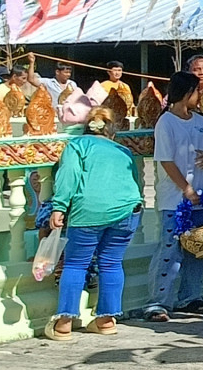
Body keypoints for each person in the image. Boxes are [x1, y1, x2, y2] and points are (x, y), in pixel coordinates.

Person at [43, 109, 143, 338]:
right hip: (127, 210)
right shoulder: (123, 150)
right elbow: (134, 181)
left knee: (75, 264)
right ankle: (106, 321)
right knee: (112, 263)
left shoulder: (77, 146)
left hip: (89, 211)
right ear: (112, 131)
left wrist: (59, 207)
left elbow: (68, 176)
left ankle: (64, 324)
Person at [148, 70, 203, 322]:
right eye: (196, 90)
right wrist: (185, 188)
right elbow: (166, 160)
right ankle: (158, 301)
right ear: (187, 92)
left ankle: (190, 295)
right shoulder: (166, 122)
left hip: (202, 195)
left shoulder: (200, 121)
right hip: (174, 199)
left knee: (199, 249)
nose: (199, 95)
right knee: (170, 249)